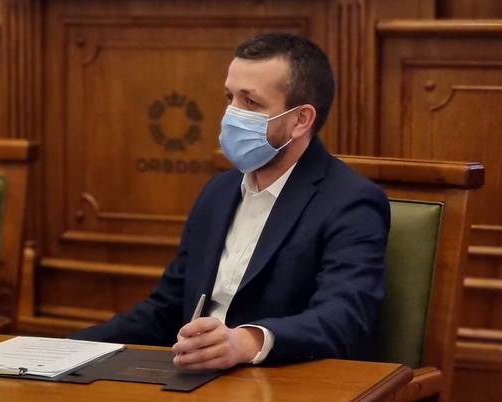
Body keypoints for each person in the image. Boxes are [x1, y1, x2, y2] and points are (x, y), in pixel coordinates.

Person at [73, 33, 389, 370]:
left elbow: (343, 318)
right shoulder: (219, 191)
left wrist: (247, 342)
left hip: (284, 382)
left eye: (250, 102)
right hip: (197, 379)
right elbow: (166, 309)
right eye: (230, 97)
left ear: (301, 120)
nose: (232, 114)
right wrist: (66, 349)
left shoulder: (351, 201)